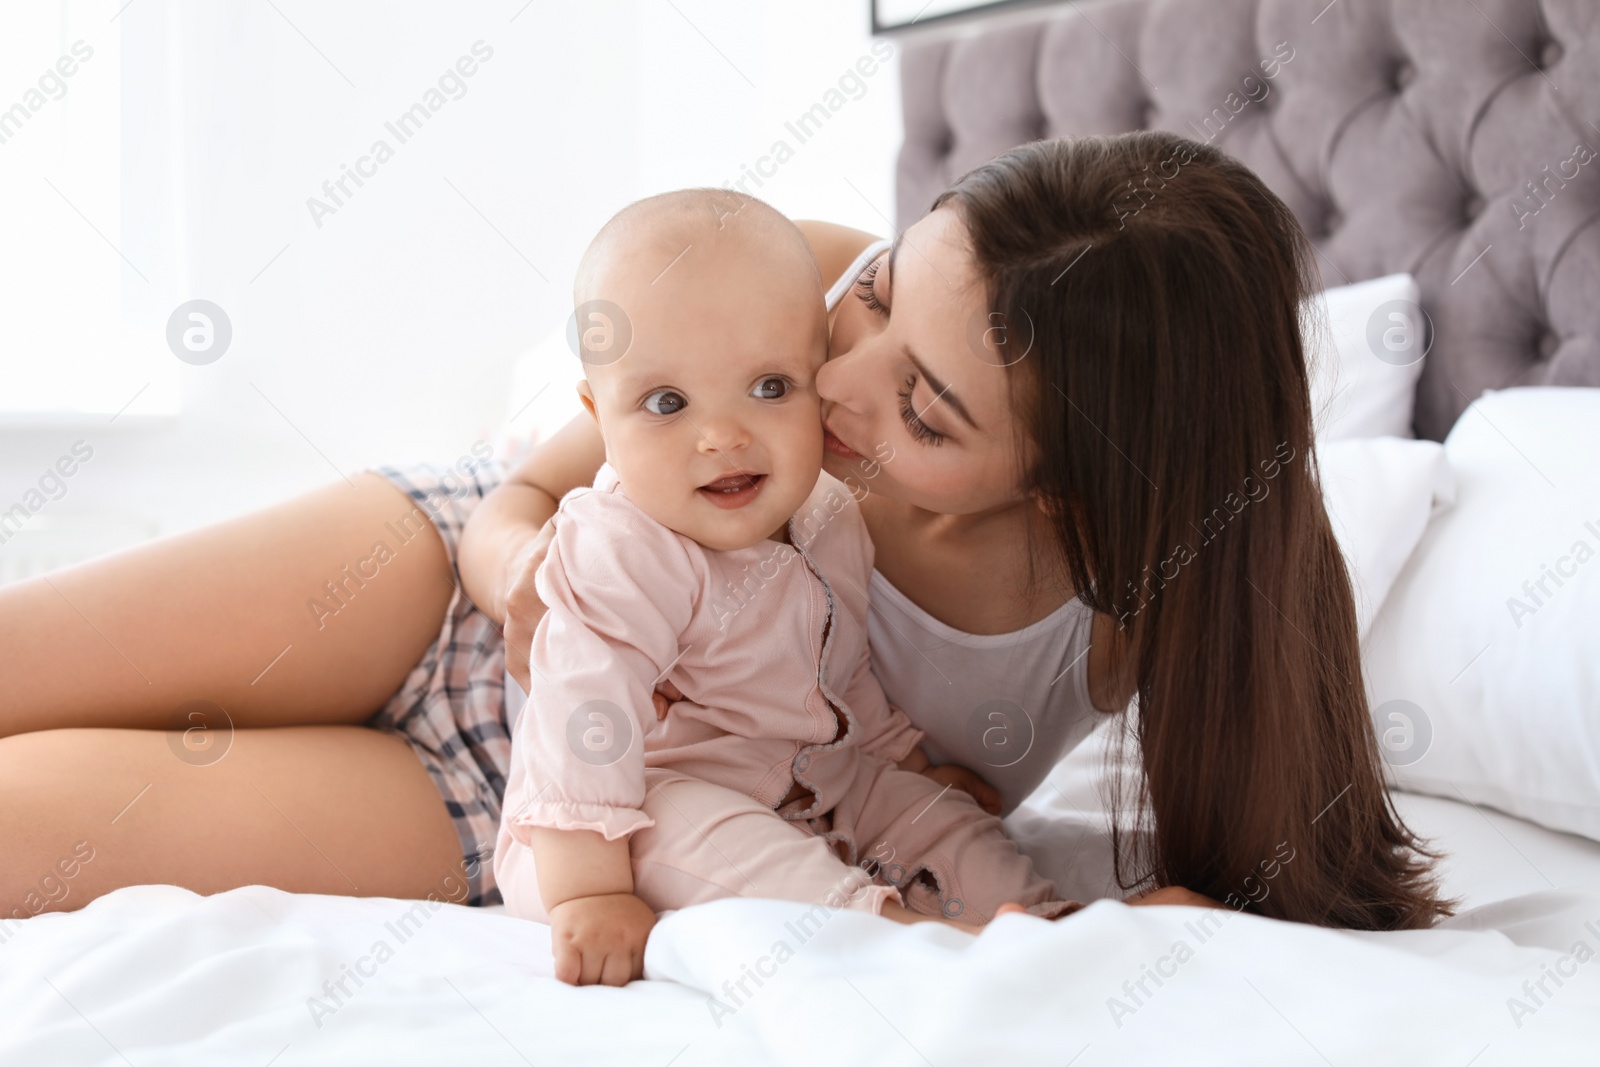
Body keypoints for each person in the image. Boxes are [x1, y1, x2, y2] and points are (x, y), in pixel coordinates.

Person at [0, 131, 1448, 937]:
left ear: (1070, 489)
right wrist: (528, 581)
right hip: (435, 583)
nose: (831, 381)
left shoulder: (1161, 598)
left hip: (552, 805)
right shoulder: (796, 274)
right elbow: (520, 495)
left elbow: (1264, 843)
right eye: (882, 294)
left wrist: (1179, 924)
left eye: (928, 411)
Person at [496, 190, 1081, 985]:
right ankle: (899, 932)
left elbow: (843, 678)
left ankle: (1050, 923)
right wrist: (588, 893)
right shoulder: (622, 546)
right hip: (627, 807)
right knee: (696, 831)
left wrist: (904, 761)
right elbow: (581, 726)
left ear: (819, 382)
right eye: (666, 404)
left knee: (944, 819)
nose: (723, 436)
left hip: (814, 781)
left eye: (770, 388)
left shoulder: (831, 516)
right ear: (601, 415)